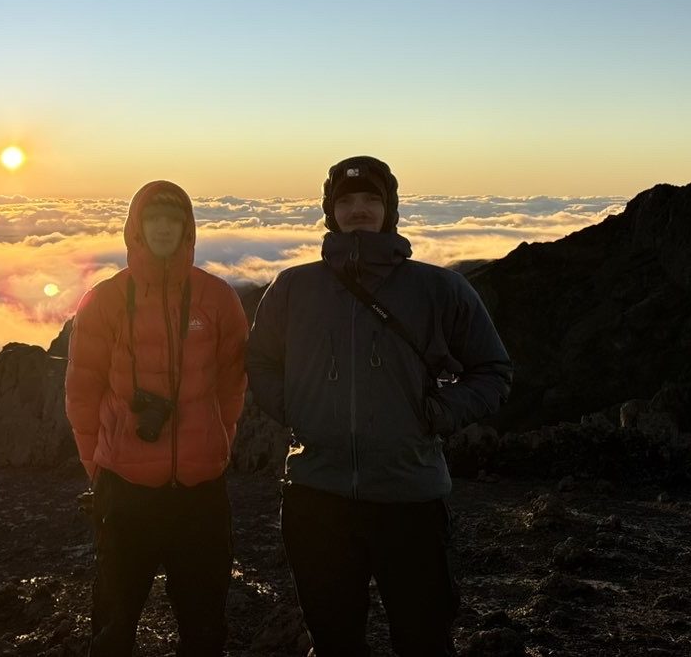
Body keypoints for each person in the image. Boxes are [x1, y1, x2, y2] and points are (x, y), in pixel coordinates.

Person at [246, 156, 512, 657]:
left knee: (423, 638)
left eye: (371, 199)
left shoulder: (438, 288)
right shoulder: (293, 288)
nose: (359, 210)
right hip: (315, 494)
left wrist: (438, 414)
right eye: (346, 201)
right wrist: (294, 408)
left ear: (390, 208)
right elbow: (259, 360)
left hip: (409, 494)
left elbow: (493, 371)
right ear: (330, 212)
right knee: (333, 640)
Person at [66, 180, 248, 656]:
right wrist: (100, 466)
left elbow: (232, 384)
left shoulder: (217, 298)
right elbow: (82, 393)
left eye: (174, 220)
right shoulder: (105, 300)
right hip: (124, 492)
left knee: (205, 627)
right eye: (154, 219)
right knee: (113, 626)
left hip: (201, 493)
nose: (164, 228)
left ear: (188, 230)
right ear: (136, 229)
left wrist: (215, 443)